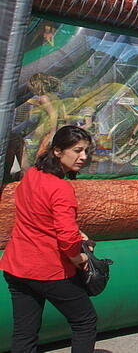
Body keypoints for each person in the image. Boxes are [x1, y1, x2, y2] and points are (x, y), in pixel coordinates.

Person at [1, 126, 97, 353]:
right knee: (85, 321)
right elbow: (65, 237)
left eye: (86, 151)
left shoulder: (33, 174)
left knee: (25, 332)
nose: (83, 157)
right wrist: (79, 256)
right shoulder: (61, 188)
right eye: (77, 150)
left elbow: (39, 215)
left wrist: (75, 233)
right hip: (48, 269)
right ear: (57, 150)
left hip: (16, 266)